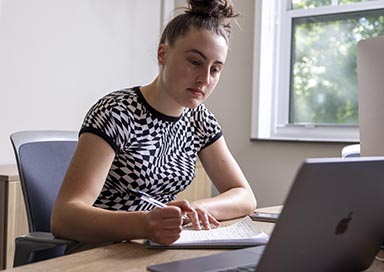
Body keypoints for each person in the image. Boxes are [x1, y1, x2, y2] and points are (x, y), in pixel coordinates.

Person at [51, 0, 257, 246]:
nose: (204, 79)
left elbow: (245, 196)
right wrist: (145, 224)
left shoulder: (200, 120)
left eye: (215, 69)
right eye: (195, 62)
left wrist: (196, 208)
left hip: (154, 245)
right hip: (101, 249)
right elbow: (64, 217)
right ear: (163, 53)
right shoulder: (116, 112)